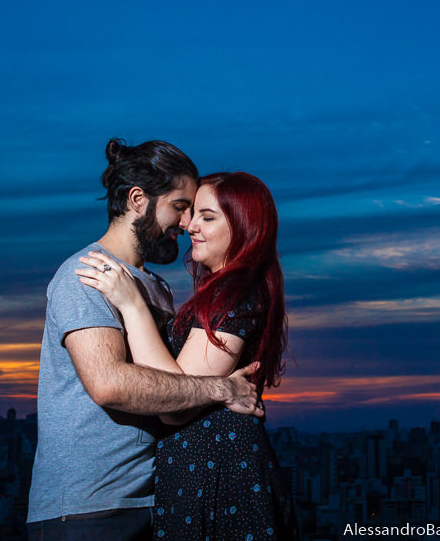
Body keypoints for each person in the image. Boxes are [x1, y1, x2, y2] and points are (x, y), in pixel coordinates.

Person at [27, 140, 265, 541]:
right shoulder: (85, 275)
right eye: (179, 206)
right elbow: (109, 384)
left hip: (147, 501)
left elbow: (169, 380)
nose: (187, 222)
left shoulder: (155, 287)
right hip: (88, 508)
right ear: (138, 200)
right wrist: (223, 388)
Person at [78, 171, 299, 541]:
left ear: (244, 227)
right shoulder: (224, 290)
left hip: (217, 468)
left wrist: (133, 305)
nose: (190, 225)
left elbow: (175, 404)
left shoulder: (237, 291)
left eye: (207, 217)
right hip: (198, 464)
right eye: (192, 213)